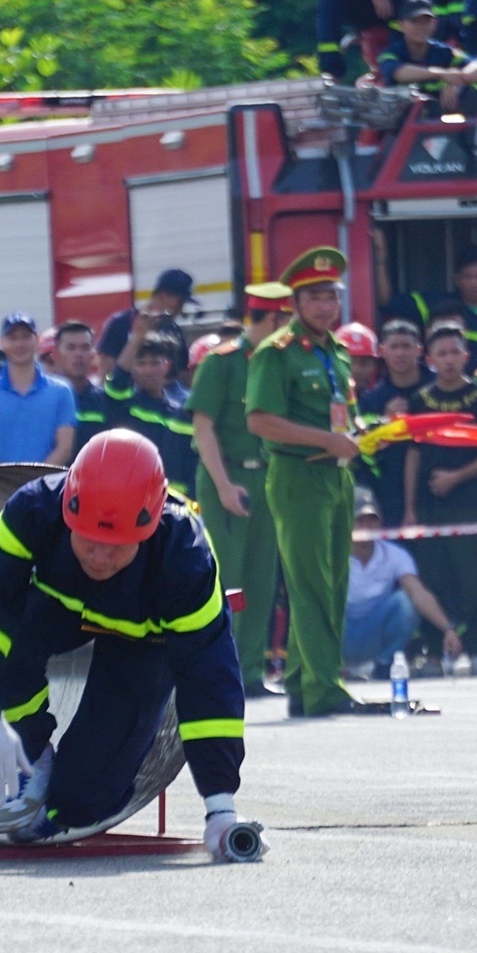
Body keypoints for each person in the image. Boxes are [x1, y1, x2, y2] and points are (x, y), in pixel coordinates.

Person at [0, 430, 260, 860]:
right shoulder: (33, 509)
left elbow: (210, 678)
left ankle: (81, 778)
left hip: (143, 642)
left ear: (147, 529)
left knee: (80, 802)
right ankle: (32, 758)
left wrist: (220, 807)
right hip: (57, 611)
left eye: (117, 546)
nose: (100, 557)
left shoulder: (184, 556)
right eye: (89, 539)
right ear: (68, 509)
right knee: (3, 624)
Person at [247, 246, 363, 718]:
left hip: (337, 475)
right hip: (299, 475)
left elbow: (341, 413)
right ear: (294, 304)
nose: (325, 307)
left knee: (333, 579)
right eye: (314, 298)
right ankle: (324, 688)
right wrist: (324, 439)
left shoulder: (337, 351)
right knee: (312, 583)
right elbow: (259, 420)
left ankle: (300, 680)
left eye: (331, 297)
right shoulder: (275, 353)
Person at [188, 282, 294, 699]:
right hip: (225, 476)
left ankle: (250, 671)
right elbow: (203, 426)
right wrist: (224, 486)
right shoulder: (223, 363)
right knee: (228, 580)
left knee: (261, 579)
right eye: (283, 320)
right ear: (270, 319)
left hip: (266, 476)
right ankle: (219, 669)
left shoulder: (278, 361)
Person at [404, 324, 477, 673]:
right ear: (430, 359)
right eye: (442, 354)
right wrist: (409, 509)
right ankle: (433, 653)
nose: (449, 360)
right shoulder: (421, 401)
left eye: (454, 353)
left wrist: (457, 477)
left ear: (465, 356)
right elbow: (413, 454)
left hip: (470, 500)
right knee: (433, 576)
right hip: (430, 503)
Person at [345, 489, 460, 679]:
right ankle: (331, 667)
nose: (366, 526)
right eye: (360, 520)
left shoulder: (395, 555)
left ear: (380, 523)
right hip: (341, 632)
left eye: (372, 520)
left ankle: (384, 663)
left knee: (405, 603)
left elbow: (418, 593)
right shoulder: (332, 555)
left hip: (375, 631)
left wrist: (448, 628)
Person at [0, 313, 76, 466]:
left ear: (36, 340)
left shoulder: (61, 391)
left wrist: (37, 484)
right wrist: (8, 484)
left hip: (47, 487)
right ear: (2, 343)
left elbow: (64, 448)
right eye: (12, 338)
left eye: (25, 337)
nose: (19, 344)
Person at [357, 319, 433, 526]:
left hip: (438, 484)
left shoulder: (438, 388)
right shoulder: (372, 399)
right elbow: (364, 449)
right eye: (394, 347)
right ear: (382, 351)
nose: (400, 353)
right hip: (390, 492)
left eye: (406, 346)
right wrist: (384, 421)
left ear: (419, 349)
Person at [104, 332, 196, 495]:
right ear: (132, 368)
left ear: (166, 366)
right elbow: (116, 382)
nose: (148, 370)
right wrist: (139, 334)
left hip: (172, 499)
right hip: (132, 493)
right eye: (141, 363)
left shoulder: (178, 411)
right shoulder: (124, 404)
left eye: (154, 363)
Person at [387, 248, 477, 371]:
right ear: (457, 279)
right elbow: (387, 301)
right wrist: (380, 260)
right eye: (468, 277)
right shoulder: (438, 305)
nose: (474, 283)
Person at [97, 269, 193, 379]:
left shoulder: (174, 330)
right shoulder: (120, 323)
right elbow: (105, 372)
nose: (181, 308)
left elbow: (182, 374)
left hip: (164, 395)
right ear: (162, 296)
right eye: (180, 302)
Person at [378, 0, 470, 110]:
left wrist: (456, 85)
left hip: (439, 120)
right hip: (401, 121)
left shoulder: (447, 52)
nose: (421, 27)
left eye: (426, 21)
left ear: (435, 24)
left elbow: (472, 68)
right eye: (415, 21)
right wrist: (442, 74)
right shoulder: (389, 54)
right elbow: (398, 73)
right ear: (401, 25)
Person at [51, 321, 108, 455]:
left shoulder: (104, 401)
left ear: (93, 355)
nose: (78, 354)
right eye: (71, 348)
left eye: (85, 347)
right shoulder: (45, 399)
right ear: (55, 355)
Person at [337, 322, 381, 394]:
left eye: (363, 363)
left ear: (373, 366)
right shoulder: (320, 401)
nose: (356, 370)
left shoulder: (377, 402)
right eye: (349, 362)